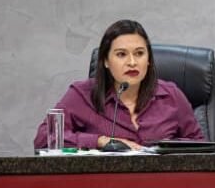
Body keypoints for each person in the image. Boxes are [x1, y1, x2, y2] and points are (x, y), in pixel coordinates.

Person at [33, 20, 204, 150]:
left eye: (139, 53)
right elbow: (44, 139)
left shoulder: (171, 96)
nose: (132, 62)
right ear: (106, 61)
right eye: (121, 54)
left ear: (149, 60)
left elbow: (201, 146)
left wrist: (168, 147)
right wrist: (100, 141)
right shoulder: (82, 95)